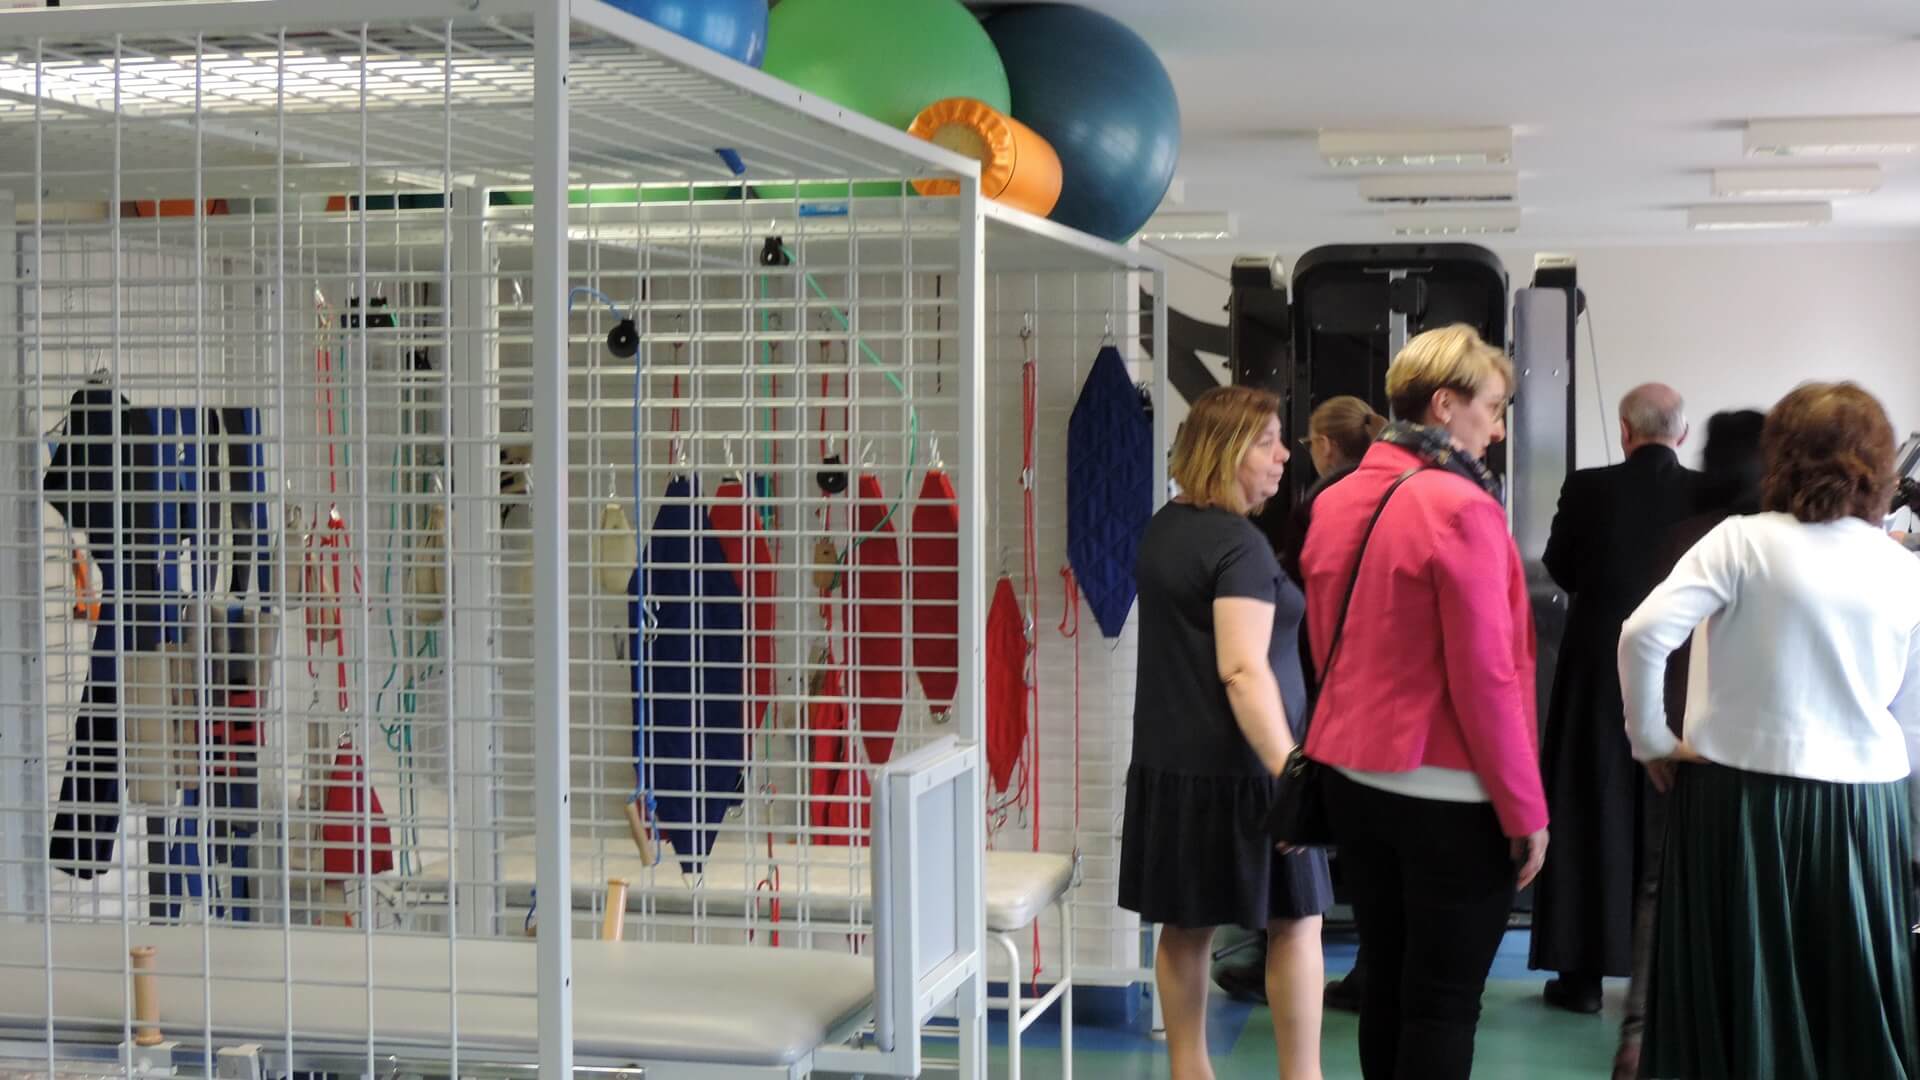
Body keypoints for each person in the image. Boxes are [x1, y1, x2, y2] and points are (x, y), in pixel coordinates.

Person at [1620, 382, 1920, 1079]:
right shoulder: (1901, 566)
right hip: (1862, 808)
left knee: (1736, 989)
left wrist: (1652, 742)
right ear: (1877, 466)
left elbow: (1642, 635)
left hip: (1738, 803)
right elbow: (1908, 711)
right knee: (1846, 990)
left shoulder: (1741, 542)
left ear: (1780, 455)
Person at [1301, 324, 1549, 1080]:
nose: (1497, 429)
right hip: (1450, 792)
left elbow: (1325, 640)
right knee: (1441, 1003)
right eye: (1493, 408)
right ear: (1445, 404)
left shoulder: (1337, 498)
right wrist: (1525, 809)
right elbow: (1489, 676)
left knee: (1385, 981)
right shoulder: (1462, 508)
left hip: (1355, 779)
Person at [1121, 384, 1332, 1080]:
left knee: (1186, 928)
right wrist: (1292, 773)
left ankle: (1189, 1072)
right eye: (1267, 442)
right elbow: (1242, 669)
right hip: (1251, 773)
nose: (1284, 456)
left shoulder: (1165, 526)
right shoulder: (1239, 545)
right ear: (1227, 450)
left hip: (1172, 769)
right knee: (1296, 922)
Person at [1529, 383, 1703, 1014]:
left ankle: (1581, 978)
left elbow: (1561, 566)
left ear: (1625, 431)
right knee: (1671, 813)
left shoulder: (1588, 488)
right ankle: (1668, 975)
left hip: (1597, 665)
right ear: (1682, 434)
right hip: (1683, 670)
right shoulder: (1706, 493)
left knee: (1588, 807)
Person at [1215, 394, 1386, 1010]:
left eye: (1299, 442)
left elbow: (1290, 589)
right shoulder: (1390, 496)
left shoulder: (1320, 504)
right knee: (1370, 829)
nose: (1287, 455)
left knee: (1300, 830)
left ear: (1326, 446)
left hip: (1322, 675)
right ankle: (1371, 969)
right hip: (1372, 679)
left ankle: (1275, 952)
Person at [1610, 408, 1765, 1080]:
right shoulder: (1767, 544)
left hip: (1676, 737)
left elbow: (1645, 637)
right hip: (1747, 744)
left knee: (1659, 884)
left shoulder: (1683, 536)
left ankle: (1640, 1033)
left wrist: (1651, 737)